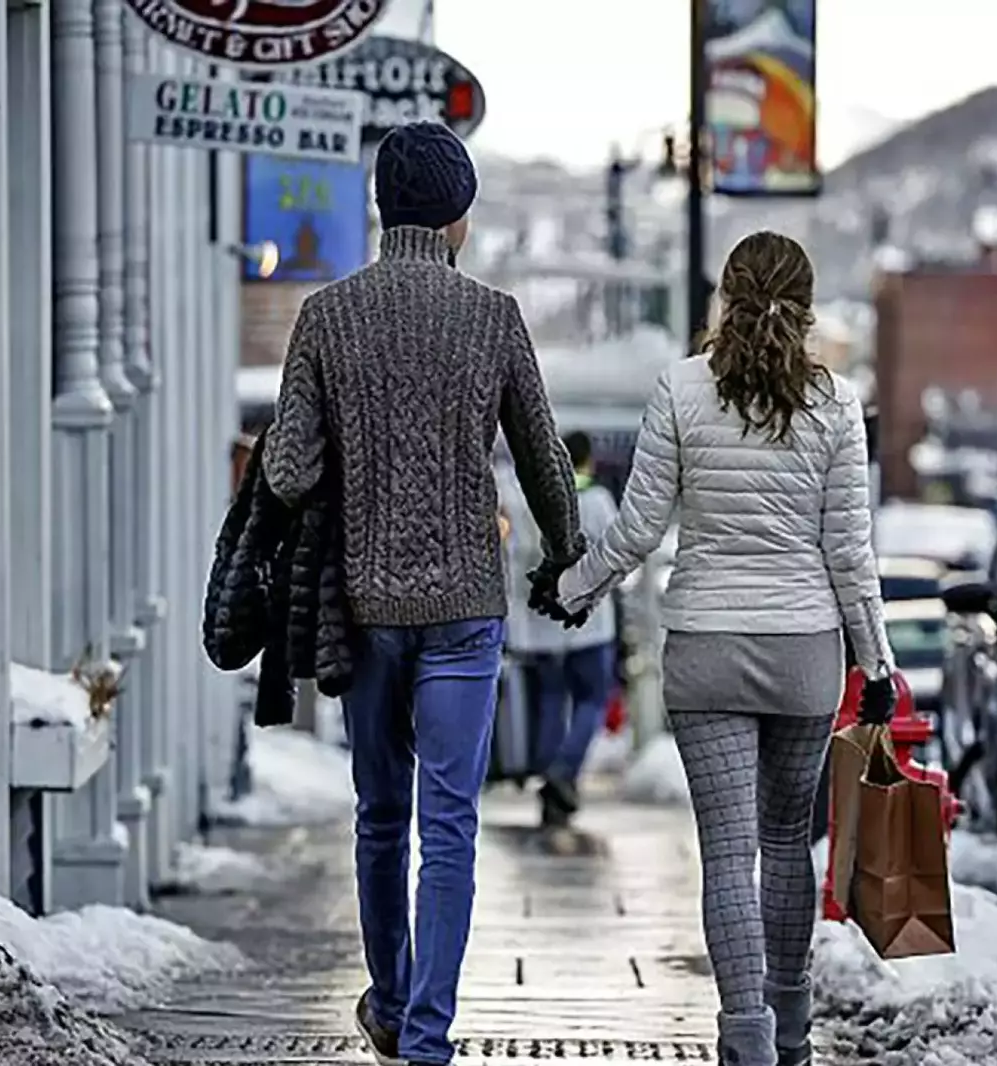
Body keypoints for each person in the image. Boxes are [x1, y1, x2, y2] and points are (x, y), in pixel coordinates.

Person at [263, 120, 585, 1066]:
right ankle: (431, 1036)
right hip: (463, 612)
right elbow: (543, 463)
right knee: (449, 823)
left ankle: (394, 1006)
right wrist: (565, 556)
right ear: (456, 217)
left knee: (377, 814)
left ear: (380, 207)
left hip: (363, 608)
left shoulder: (325, 315)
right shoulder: (492, 317)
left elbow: (286, 471)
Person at [549, 231, 897, 1066]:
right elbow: (849, 551)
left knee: (727, 855)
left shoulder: (681, 388)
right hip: (803, 655)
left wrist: (572, 589)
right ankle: (791, 1028)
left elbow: (636, 528)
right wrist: (875, 663)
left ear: (724, 298)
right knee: (786, 846)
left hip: (706, 646)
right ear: (806, 308)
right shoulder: (836, 404)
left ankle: (744, 1036)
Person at [529, 432, 620, 826]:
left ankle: (550, 775)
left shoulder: (541, 497)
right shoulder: (598, 500)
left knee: (550, 700)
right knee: (592, 701)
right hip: (591, 624)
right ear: (589, 461)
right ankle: (562, 773)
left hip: (545, 627)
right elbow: (616, 551)